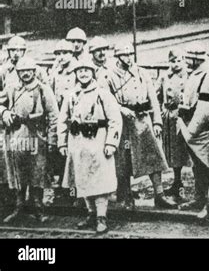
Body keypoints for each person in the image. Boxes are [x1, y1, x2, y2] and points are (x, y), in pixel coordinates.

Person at [101, 44, 176, 210]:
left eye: (130, 54)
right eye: (125, 55)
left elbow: (153, 98)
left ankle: (159, 195)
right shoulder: (108, 76)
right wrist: (121, 109)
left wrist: (157, 121)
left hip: (143, 119)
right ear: (118, 57)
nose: (129, 58)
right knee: (124, 160)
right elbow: (106, 99)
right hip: (123, 123)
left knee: (154, 157)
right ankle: (126, 196)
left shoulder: (141, 73)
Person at [58, 58, 122, 234]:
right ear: (76, 74)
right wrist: (62, 142)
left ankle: (102, 216)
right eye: (80, 71)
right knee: (82, 179)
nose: (83, 74)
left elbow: (115, 119)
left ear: (92, 73)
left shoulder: (103, 93)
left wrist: (111, 143)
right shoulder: (71, 95)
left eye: (87, 70)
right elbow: (62, 120)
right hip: (77, 143)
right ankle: (91, 214)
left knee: (100, 180)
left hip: (98, 141)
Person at [0, 57, 58, 223]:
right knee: (18, 172)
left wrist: (52, 139)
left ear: (34, 71)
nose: (25, 74)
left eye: (29, 70)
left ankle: (38, 207)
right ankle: (18, 207)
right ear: (18, 73)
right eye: (22, 71)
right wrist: (4, 113)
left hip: (37, 136)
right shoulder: (11, 89)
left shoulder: (43, 90)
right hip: (16, 136)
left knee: (37, 172)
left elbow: (54, 116)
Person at [177, 45, 209, 218]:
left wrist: (190, 132)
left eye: (189, 57)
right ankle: (200, 198)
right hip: (190, 126)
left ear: (198, 59)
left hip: (202, 130)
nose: (186, 61)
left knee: (208, 166)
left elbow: (204, 109)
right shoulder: (194, 73)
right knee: (197, 166)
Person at [157, 49, 191, 201]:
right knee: (171, 150)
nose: (176, 64)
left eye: (179, 61)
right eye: (173, 61)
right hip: (168, 115)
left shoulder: (188, 75)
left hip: (181, 115)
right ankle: (177, 181)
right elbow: (156, 92)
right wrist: (161, 109)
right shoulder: (164, 76)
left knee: (182, 149)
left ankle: (183, 184)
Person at [49, 40, 77, 202]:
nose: (61, 57)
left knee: (73, 155)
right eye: (58, 54)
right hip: (60, 118)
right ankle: (62, 189)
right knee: (60, 154)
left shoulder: (78, 70)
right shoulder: (55, 72)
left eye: (65, 53)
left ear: (71, 54)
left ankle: (74, 191)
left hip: (73, 118)